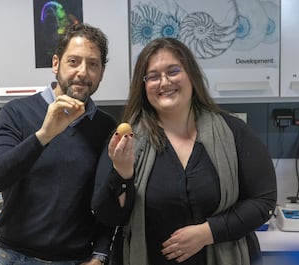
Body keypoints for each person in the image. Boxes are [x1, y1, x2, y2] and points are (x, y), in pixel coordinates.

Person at [91, 37, 277, 265]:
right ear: (144, 85)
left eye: (173, 71)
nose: (164, 82)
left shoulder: (233, 132)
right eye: (153, 76)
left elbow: (263, 201)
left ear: (191, 75)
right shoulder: (127, 140)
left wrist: (207, 233)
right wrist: (122, 173)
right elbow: (108, 217)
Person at [0, 23, 117, 265]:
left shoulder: (106, 127)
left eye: (93, 64)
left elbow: (109, 200)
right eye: (73, 61)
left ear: (102, 72)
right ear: (56, 64)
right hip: (15, 258)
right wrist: (43, 135)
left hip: (75, 260)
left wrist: (100, 254)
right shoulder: (17, 113)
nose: (83, 72)